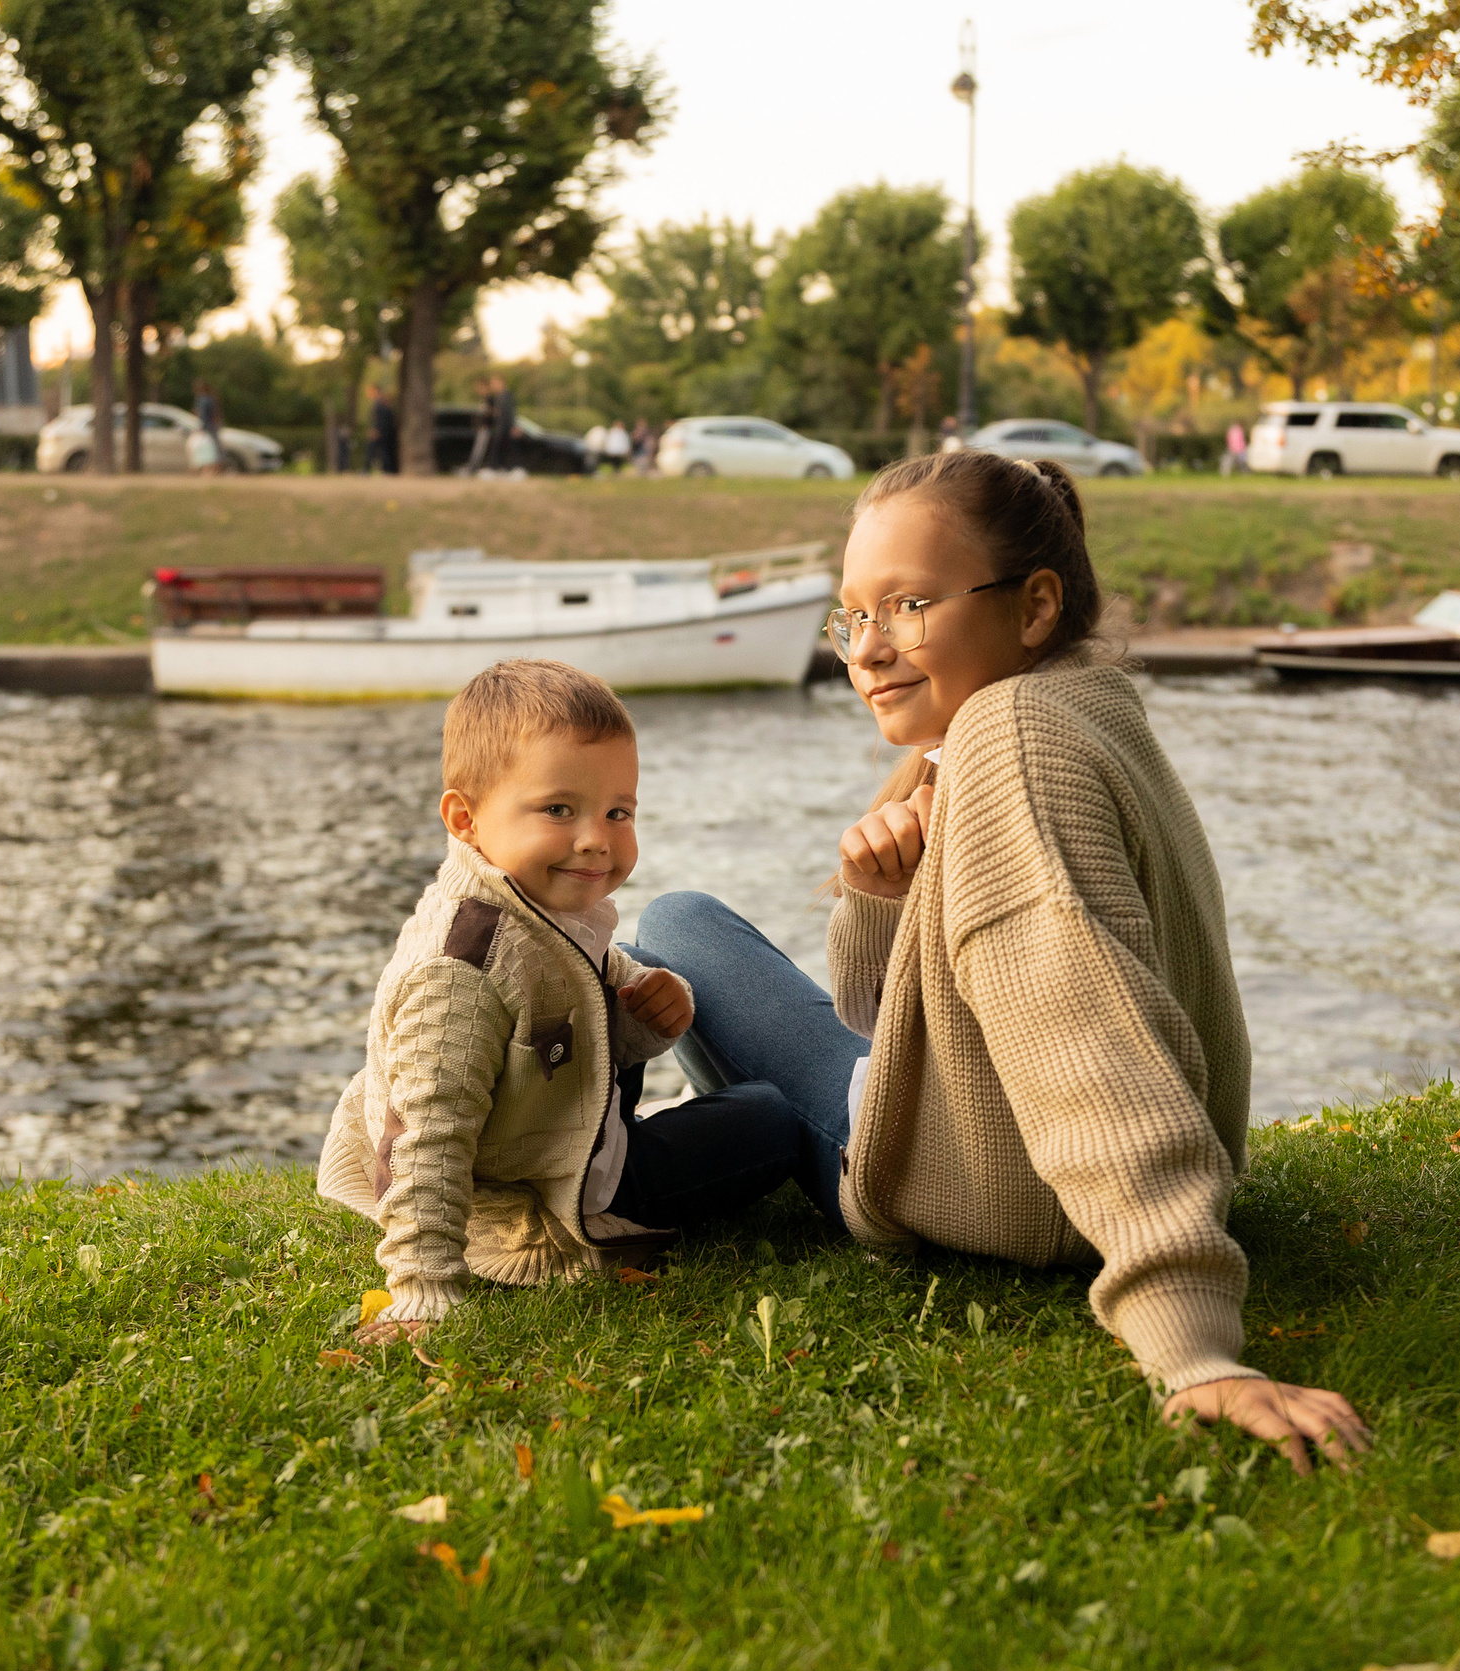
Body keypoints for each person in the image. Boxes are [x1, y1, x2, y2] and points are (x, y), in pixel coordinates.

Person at [627, 449, 1373, 1475]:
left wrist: (1190, 1341)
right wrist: (881, 901)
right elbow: (892, 1010)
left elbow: (1082, 1025)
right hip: (1008, 1147)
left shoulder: (1011, 741)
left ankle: (629, 1163)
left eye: (908, 606)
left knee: (672, 924)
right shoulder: (1082, 706)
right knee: (690, 930)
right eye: (853, 616)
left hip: (996, 1190)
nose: (868, 650)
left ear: (1031, 609)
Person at [318, 658, 808, 1340]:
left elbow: (579, 988)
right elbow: (425, 1137)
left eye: (619, 811)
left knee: (645, 968)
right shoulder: (458, 971)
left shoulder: (527, 902)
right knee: (773, 1116)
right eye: (559, 809)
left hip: (544, 1131)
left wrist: (648, 1009)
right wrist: (422, 1286)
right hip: (541, 1204)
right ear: (465, 817)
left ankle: (647, 1114)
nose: (596, 839)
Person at [194, 378, 224, 475]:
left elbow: (202, 416)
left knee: (208, 449)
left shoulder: (203, 400)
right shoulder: (212, 398)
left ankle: (206, 469)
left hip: (208, 427)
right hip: (214, 427)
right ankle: (216, 469)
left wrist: (202, 428)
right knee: (215, 448)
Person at [368, 383, 398, 475]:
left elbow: (381, 421)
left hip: (383, 433)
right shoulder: (381, 406)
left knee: (382, 452)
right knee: (383, 453)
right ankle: (387, 470)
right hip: (385, 433)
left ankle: (387, 470)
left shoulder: (381, 406)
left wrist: (377, 430)